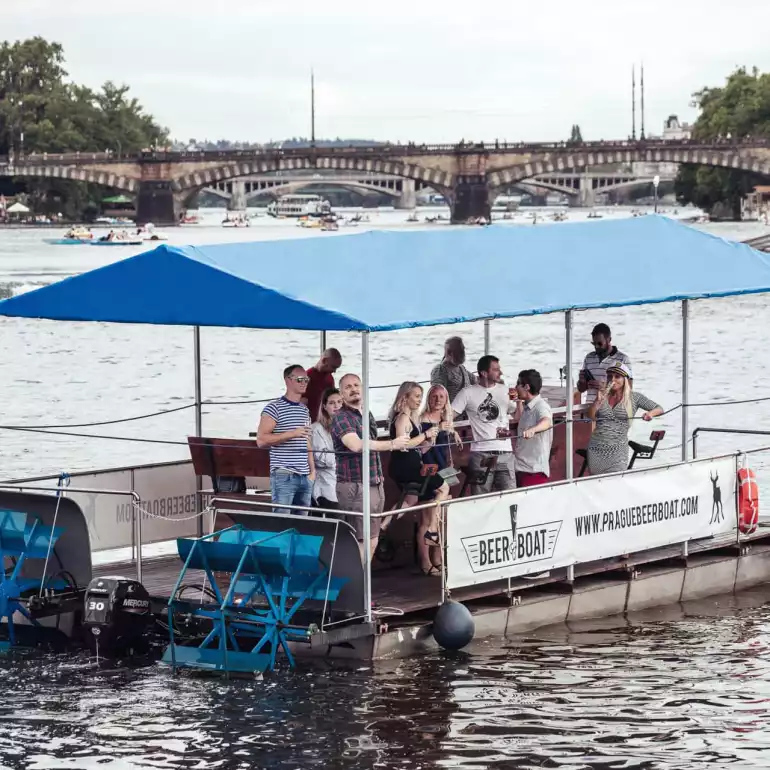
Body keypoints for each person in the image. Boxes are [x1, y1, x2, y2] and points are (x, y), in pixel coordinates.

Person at [331, 373, 410, 558]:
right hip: (354, 484)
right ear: (341, 394)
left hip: (375, 480)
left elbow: (371, 442)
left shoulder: (366, 414)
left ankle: (362, 577)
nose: (354, 389)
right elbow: (356, 445)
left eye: (356, 385)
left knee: (372, 535)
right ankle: (355, 583)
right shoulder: (341, 417)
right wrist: (392, 444)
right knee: (358, 537)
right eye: (348, 387)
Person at [388, 382, 450, 576]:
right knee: (442, 492)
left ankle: (383, 523)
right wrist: (425, 433)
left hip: (418, 465)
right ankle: (429, 538)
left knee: (412, 501)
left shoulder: (412, 418)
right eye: (416, 396)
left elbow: (418, 449)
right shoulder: (404, 418)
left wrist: (429, 441)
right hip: (410, 468)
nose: (419, 400)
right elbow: (403, 445)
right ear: (405, 397)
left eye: (420, 396)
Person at [451, 355, 517, 494]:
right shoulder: (467, 393)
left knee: (510, 498)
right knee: (481, 499)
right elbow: (449, 415)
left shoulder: (505, 390)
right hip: (481, 454)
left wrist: (520, 401)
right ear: (484, 373)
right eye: (496, 369)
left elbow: (517, 416)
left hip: (506, 452)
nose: (500, 372)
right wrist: (452, 430)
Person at [587, 360, 663, 475]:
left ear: (625, 379)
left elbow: (659, 408)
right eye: (610, 376)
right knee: (597, 484)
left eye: (617, 376)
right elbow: (590, 417)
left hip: (618, 450)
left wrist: (650, 414)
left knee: (616, 481)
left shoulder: (634, 397)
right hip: (596, 448)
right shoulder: (602, 395)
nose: (613, 380)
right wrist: (596, 403)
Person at [257, 364, 315, 514]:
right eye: (300, 379)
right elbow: (261, 440)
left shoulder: (304, 410)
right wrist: (292, 433)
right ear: (288, 380)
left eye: (306, 379)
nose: (304, 383)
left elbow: (307, 440)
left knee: (303, 525)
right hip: (284, 474)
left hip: (304, 476)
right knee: (283, 523)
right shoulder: (274, 408)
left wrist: (312, 472)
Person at [514, 369, 553, 487]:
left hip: (534, 471)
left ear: (526, 387)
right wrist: (518, 402)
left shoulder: (541, 406)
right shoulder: (527, 406)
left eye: (518, 384)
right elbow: (518, 419)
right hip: (521, 467)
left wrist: (533, 429)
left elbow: (547, 422)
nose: (515, 387)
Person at [577, 323, 633, 404]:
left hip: (611, 410)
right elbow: (581, 389)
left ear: (609, 340)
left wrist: (606, 387)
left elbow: (629, 390)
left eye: (599, 343)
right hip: (590, 409)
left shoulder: (623, 359)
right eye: (594, 343)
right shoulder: (589, 358)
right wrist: (582, 382)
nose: (596, 347)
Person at [311, 388, 343, 510]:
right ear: (324, 406)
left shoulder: (347, 426)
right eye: (331, 403)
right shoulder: (317, 429)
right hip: (327, 486)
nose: (337, 406)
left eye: (340, 402)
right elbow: (323, 460)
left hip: (346, 486)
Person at [419, 384, 462, 471]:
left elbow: (446, 444)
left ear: (446, 400)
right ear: (428, 399)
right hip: (427, 466)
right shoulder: (421, 419)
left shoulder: (445, 417)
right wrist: (438, 428)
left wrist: (454, 433)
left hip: (442, 463)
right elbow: (422, 450)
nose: (438, 400)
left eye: (441, 396)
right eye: (434, 396)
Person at [430, 336, 476, 404]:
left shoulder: (461, 368)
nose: (463, 353)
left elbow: (476, 380)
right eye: (460, 351)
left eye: (463, 349)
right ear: (449, 353)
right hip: (452, 412)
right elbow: (437, 399)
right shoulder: (440, 370)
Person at [305, 348, 342, 422]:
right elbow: (301, 403)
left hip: (325, 421)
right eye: (333, 367)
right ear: (324, 360)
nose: (334, 371)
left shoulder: (330, 378)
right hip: (309, 422)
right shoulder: (307, 377)